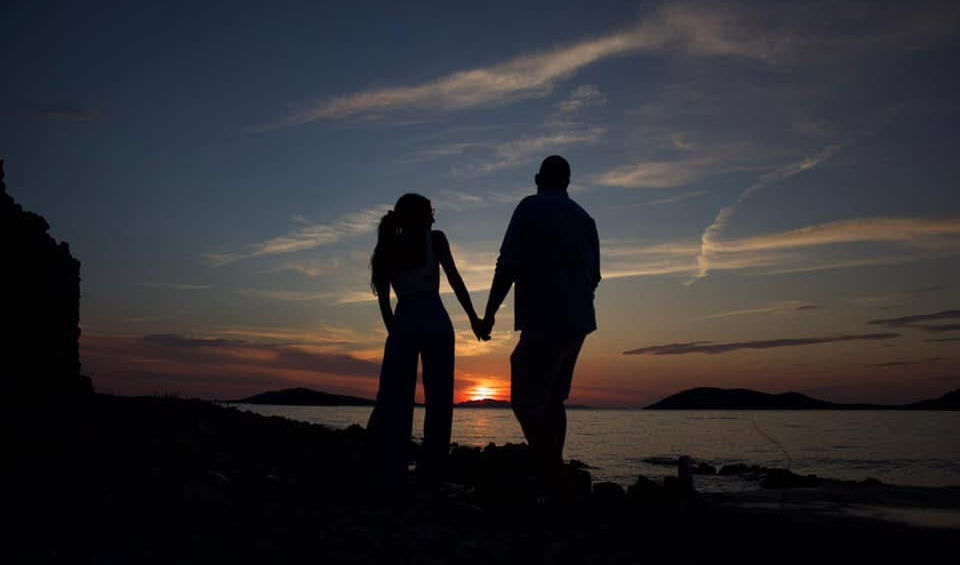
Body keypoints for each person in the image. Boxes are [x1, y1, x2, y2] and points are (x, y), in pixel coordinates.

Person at [479, 155, 600, 495]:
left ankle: (557, 482)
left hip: (545, 317)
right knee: (553, 400)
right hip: (579, 319)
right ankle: (553, 478)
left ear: (537, 178)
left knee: (525, 402)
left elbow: (507, 264)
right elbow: (595, 276)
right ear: (568, 182)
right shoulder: (585, 219)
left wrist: (489, 313)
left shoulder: (530, 208)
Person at [367, 193, 486, 486]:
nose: (434, 217)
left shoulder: (387, 245)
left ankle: (391, 463)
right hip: (434, 317)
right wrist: (473, 317)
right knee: (439, 396)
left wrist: (395, 330)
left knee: (396, 396)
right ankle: (432, 466)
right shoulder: (436, 240)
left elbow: (384, 300)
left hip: (405, 318)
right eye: (431, 212)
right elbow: (455, 279)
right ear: (421, 216)